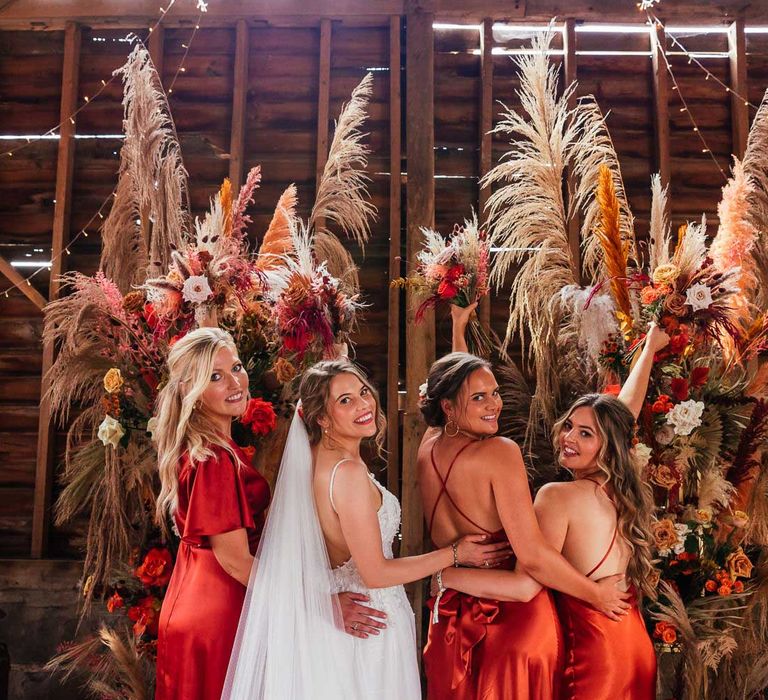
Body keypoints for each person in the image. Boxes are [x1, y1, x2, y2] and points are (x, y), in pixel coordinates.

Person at [224, 357, 508, 699]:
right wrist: (453, 554)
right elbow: (375, 572)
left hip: (342, 618)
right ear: (322, 419)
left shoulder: (316, 461)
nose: (363, 404)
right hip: (370, 625)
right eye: (345, 401)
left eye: (362, 392)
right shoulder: (347, 475)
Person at [431, 310, 667, 700]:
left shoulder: (557, 496)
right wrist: (650, 349)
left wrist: (442, 577)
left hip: (594, 656)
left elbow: (526, 583)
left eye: (585, 433)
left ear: (607, 447)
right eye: (570, 425)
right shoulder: (617, 491)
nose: (568, 437)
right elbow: (625, 413)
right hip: (633, 643)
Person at [153, 329, 381, 699]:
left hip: (198, 597)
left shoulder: (213, 448)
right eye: (215, 376)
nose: (235, 382)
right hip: (220, 610)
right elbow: (236, 562)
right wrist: (320, 604)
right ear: (189, 391)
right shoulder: (214, 459)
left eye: (237, 368)